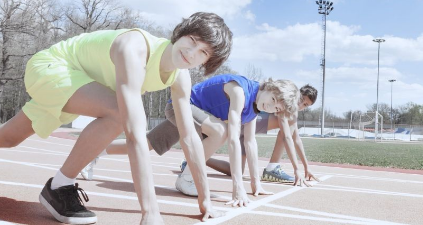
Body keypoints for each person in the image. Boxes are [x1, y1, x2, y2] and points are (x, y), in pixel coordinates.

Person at [0, 12, 232, 225]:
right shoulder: (135, 47)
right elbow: (136, 135)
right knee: (119, 112)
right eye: (191, 41)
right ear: (180, 34)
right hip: (55, 69)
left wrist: (204, 201)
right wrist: (150, 213)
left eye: (202, 52)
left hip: (85, 87)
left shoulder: (179, 76)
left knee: (8, 137)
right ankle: (60, 185)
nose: (191, 52)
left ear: (208, 62)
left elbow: (190, 137)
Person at [93, 75, 299, 207]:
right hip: (180, 107)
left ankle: (94, 152)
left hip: (199, 119)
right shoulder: (240, 91)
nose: (270, 107)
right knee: (221, 131)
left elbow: (250, 144)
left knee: (147, 144)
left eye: (276, 108)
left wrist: (255, 184)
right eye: (272, 99)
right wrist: (237, 186)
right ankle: (187, 178)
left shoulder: (255, 109)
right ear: (268, 87)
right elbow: (234, 140)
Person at [196, 84, 319, 186]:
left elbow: (296, 139)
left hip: (246, 130)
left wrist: (306, 167)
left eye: (305, 105)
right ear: (297, 94)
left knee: (237, 170)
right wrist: (296, 169)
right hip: (245, 124)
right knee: (286, 129)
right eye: (301, 100)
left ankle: (198, 159)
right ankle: (272, 168)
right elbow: (287, 136)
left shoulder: (293, 114)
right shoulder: (284, 104)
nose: (300, 105)